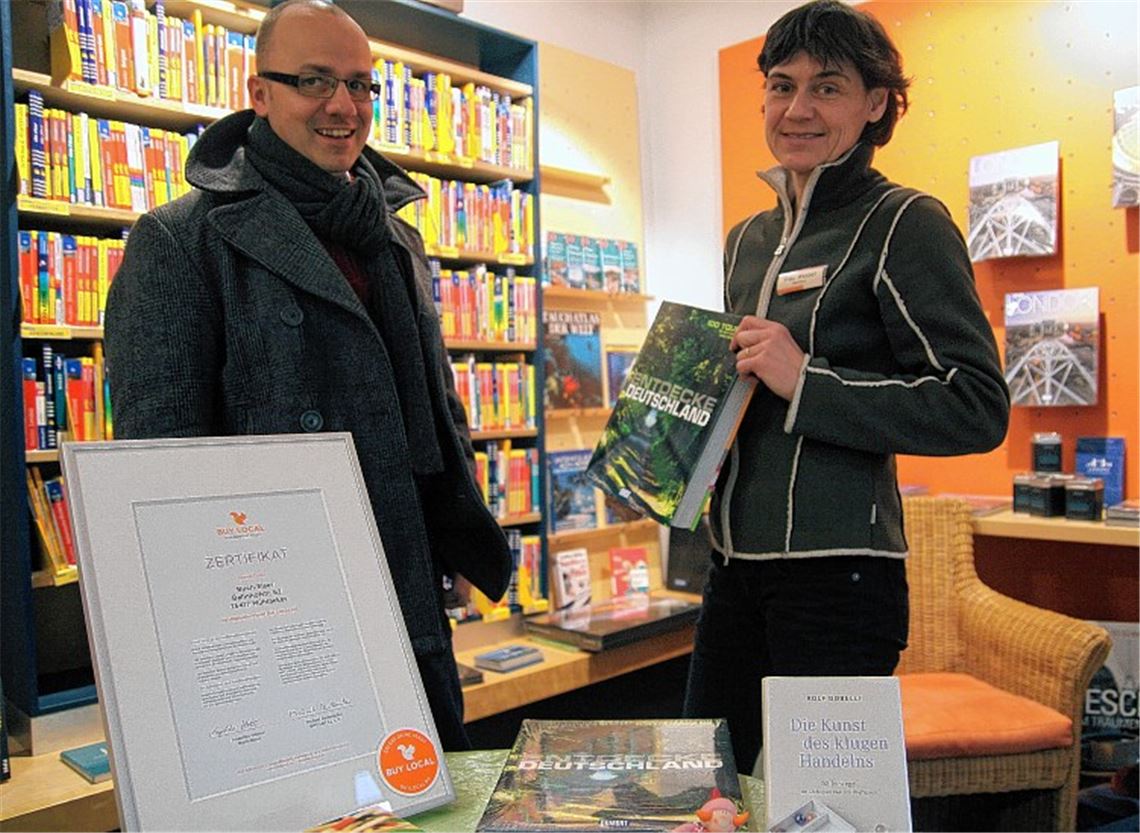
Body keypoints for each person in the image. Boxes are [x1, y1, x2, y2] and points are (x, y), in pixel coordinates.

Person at [103, 0, 512, 750]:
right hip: (280, 623)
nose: (343, 107)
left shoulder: (395, 239)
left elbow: (436, 409)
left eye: (360, 85)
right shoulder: (181, 241)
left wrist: (453, 534)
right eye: (314, 81)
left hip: (409, 593)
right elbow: (159, 473)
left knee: (430, 802)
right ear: (259, 93)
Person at [681, 0, 1010, 773]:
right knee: (706, 793)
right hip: (732, 571)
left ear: (874, 104)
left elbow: (975, 403)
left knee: (821, 813)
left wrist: (807, 379)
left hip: (839, 582)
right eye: (781, 85)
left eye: (827, 87)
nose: (797, 108)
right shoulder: (746, 241)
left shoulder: (904, 222)